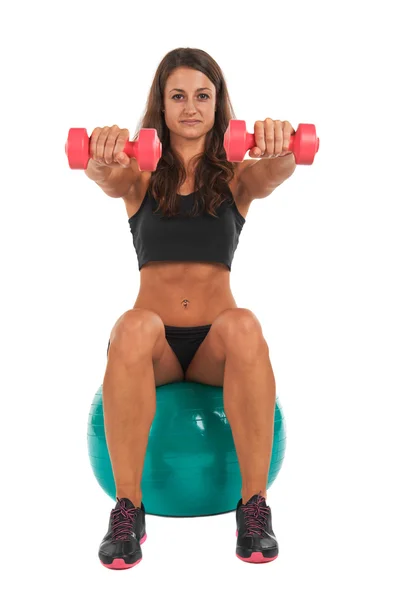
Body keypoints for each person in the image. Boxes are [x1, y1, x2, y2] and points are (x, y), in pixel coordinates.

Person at [84, 47, 296, 569]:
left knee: (245, 324)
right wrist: (102, 153)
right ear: (161, 104)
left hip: (213, 349)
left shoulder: (235, 178)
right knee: (131, 326)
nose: (190, 107)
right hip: (155, 350)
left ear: (218, 104)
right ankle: (128, 512)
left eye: (203, 95)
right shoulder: (138, 176)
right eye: (177, 95)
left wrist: (280, 142)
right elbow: (103, 175)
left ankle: (254, 509)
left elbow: (277, 170)